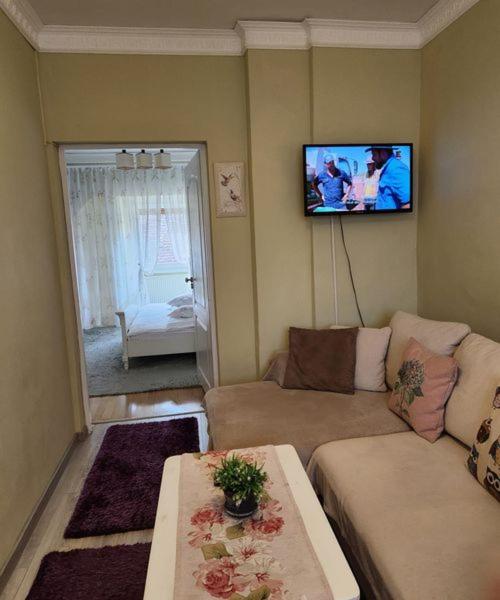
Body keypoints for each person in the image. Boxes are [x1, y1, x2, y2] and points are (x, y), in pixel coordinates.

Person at [366, 145, 410, 210]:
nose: (372, 158)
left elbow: (408, 204)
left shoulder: (396, 169)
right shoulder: (388, 168)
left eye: (374, 154)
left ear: (383, 153)